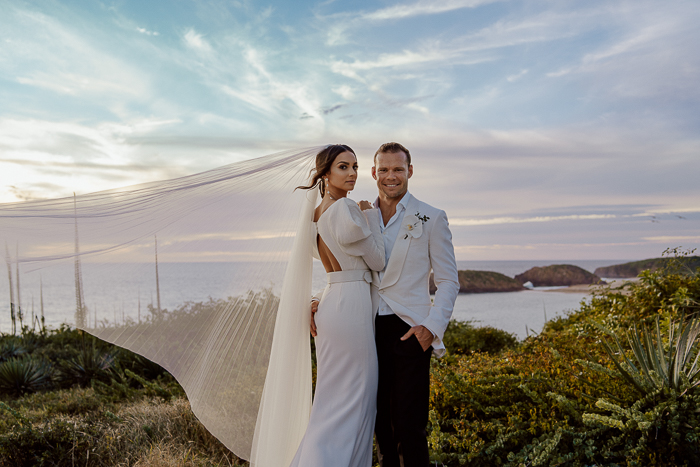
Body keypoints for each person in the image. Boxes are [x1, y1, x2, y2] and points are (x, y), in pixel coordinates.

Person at [290, 144, 386, 466]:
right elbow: (378, 260)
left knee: (331, 403)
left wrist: (317, 297)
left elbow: (334, 268)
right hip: (351, 310)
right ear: (325, 173)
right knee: (356, 402)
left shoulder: (315, 215)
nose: (352, 174)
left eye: (355, 167)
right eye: (343, 167)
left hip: (333, 302)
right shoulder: (346, 210)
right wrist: (370, 214)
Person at [370, 142, 459, 466]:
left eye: (397, 169)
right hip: (366, 329)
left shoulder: (432, 217)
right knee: (379, 426)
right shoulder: (361, 216)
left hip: (410, 330)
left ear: (410, 171)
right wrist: (316, 299)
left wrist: (431, 328)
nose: (390, 176)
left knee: (409, 427)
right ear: (374, 172)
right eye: (384, 169)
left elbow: (449, 281)